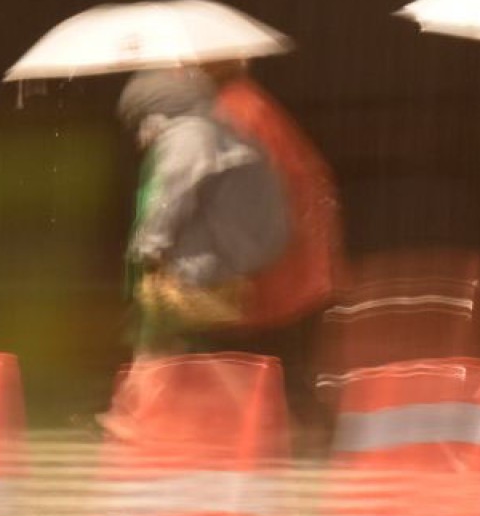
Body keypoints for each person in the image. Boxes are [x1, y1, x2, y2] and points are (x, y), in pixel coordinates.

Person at [99, 68, 289, 439]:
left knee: (165, 340)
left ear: (155, 107)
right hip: (218, 260)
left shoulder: (188, 136)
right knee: (176, 343)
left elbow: (173, 195)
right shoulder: (214, 129)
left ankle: (135, 418)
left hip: (198, 264)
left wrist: (149, 245)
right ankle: (133, 416)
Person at [196, 59, 347, 451]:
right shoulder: (253, 104)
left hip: (268, 263)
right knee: (278, 360)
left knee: (259, 357)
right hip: (287, 259)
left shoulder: (234, 111)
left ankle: (299, 436)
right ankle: (310, 433)